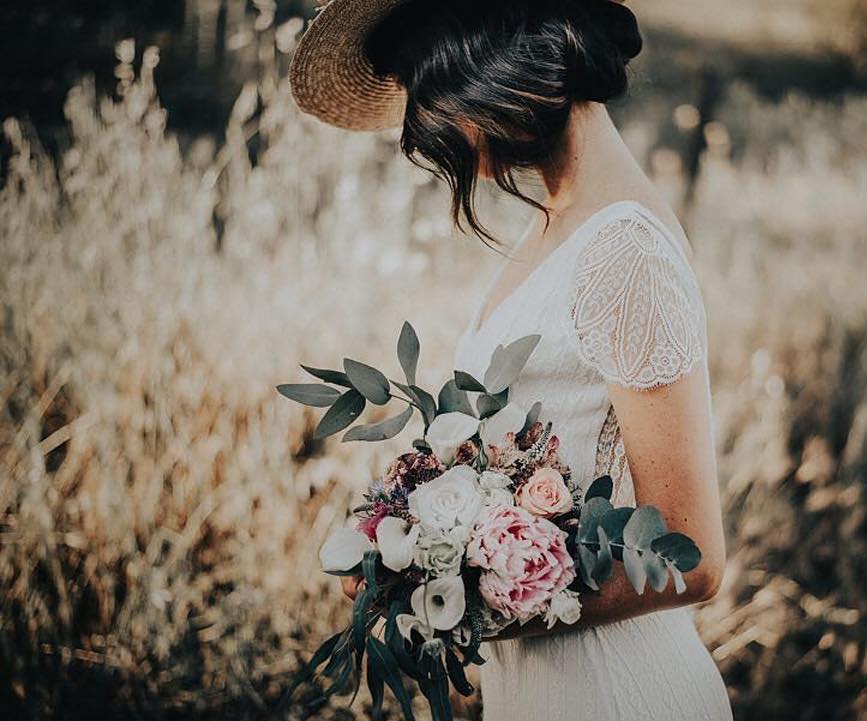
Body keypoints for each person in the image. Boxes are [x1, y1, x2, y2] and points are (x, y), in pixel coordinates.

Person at [288, 1, 734, 718]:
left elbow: (693, 554)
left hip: (618, 694)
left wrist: (464, 602)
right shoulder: (556, 227)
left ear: (489, 54)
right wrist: (415, 540)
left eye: (430, 90)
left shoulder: (625, 251)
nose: (422, 130)